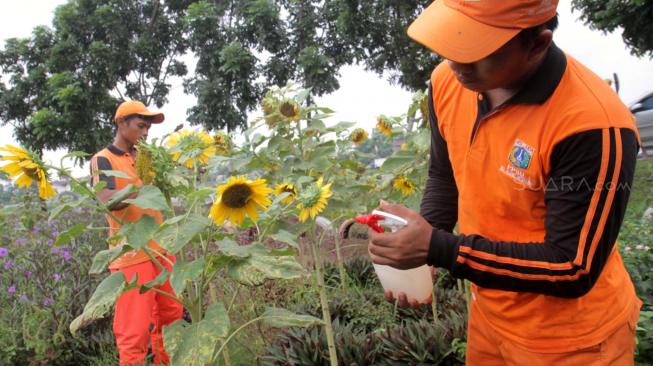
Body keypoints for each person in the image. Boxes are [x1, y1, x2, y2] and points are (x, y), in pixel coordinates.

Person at [367, 1, 642, 364]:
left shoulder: (592, 125)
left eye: (477, 51)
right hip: (490, 320)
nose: (457, 65)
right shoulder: (447, 82)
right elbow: (444, 173)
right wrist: (424, 244)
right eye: (453, 45)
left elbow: (572, 267)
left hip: (573, 342)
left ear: (537, 44)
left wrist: (440, 248)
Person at [90, 100, 182, 365]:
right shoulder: (103, 159)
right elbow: (106, 199)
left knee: (171, 320)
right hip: (133, 255)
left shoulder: (146, 157)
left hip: (162, 251)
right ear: (121, 123)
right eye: (141, 126)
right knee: (134, 333)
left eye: (148, 129)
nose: (145, 133)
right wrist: (142, 191)